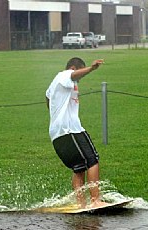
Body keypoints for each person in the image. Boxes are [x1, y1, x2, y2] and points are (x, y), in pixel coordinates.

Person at [46, 57, 107, 208]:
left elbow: (47, 96)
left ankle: (81, 204)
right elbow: (73, 75)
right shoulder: (64, 75)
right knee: (93, 160)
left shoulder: (55, 83)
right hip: (70, 130)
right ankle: (95, 200)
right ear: (73, 68)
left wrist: (55, 115)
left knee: (79, 167)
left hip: (57, 134)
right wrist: (92, 69)